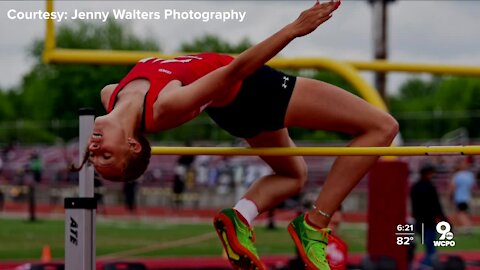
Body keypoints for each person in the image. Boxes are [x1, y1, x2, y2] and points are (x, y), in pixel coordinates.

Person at [75, 1, 399, 269]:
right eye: (107, 155)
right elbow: (233, 72)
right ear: (132, 144)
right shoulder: (165, 107)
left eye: (95, 154)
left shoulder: (110, 96)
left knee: (293, 175)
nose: (95, 147)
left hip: (234, 110)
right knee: (382, 127)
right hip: (254, 90)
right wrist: (294, 29)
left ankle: (240, 217)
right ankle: (315, 225)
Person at [410, 164, 447, 268]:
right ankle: (425, 265)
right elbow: (436, 205)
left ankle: (425, 264)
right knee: (431, 248)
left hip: (419, 221)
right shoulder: (430, 187)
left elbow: (413, 206)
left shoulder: (415, 187)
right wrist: (444, 219)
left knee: (427, 245)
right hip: (429, 221)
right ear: (428, 173)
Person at [448, 157, 475, 234]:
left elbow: (452, 187)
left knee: (461, 213)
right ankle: (457, 228)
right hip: (466, 197)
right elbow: (471, 187)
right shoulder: (470, 175)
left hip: (459, 197)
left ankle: (468, 227)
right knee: (462, 213)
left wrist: (449, 196)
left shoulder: (457, 175)